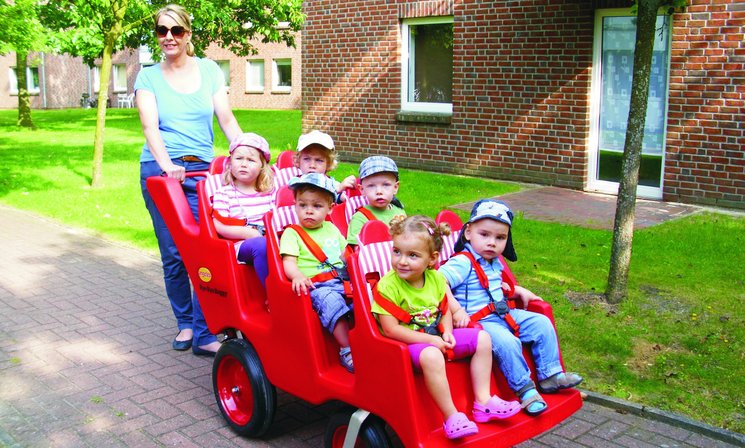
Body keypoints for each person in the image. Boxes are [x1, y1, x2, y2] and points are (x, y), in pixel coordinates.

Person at [135, 4, 242, 357]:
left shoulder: (209, 70)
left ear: (188, 34)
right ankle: (185, 322)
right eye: (162, 31)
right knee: (174, 254)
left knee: (205, 251)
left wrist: (247, 150)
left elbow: (225, 117)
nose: (169, 37)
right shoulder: (148, 77)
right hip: (162, 171)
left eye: (176, 31)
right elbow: (151, 128)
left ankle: (203, 331)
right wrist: (167, 166)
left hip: (202, 171)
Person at [372, 215, 520, 440]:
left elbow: (444, 310)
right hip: (405, 345)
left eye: (412, 255)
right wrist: (431, 340)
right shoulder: (388, 285)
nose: (402, 261)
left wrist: (448, 331)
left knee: (482, 338)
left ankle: (483, 401)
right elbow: (391, 330)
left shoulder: (435, 279)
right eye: (397, 252)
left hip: (437, 337)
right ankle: (452, 416)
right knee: (432, 355)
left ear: (431, 259)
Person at [439, 199, 583, 416]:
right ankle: (525, 391)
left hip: (503, 313)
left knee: (540, 323)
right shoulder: (464, 261)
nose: (492, 243)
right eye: (484, 235)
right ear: (468, 233)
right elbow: (438, 282)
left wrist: (517, 290)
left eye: (500, 238)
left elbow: (494, 286)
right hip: (477, 323)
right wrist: (457, 310)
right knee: (508, 342)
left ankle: (550, 375)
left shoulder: (493, 261)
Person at [279, 173, 354, 372]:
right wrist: (297, 276)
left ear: (330, 208)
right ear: (295, 205)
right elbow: (288, 261)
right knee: (332, 302)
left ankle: (368, 341)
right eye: (303, 205)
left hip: (340, 281)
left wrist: (356, 263)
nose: (309, 211)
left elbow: (345, 254)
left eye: (317, 206)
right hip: (315, 286)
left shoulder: (331, 228)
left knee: (366, 297)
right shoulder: (292, 233)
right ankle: (346, 349)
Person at [211, 133, 275, 286]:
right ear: (230, 163)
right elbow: (218, 225)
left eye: (251, 160)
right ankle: (273, 293)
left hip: (271, 240)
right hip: (240, 245)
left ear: (262, 167)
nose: (244, 164)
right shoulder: (224, 193)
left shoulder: (269, 193)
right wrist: (249, 233)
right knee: (261, 245)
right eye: (239, 159)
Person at [346, 156, 406, 245]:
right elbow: (356, 250)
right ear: (362, 189)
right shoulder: (360, 218)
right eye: (371, 186)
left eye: (386, 185)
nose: (379, 191)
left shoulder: (400, 212)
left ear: (395, 187)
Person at [293, 130, 356, 203]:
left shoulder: (333, 183)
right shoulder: (296, 183)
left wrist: (347, 197)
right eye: (307, 159)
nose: (312, 165)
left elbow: (340, 199)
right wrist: (336, 190)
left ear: (328, 164)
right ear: (298, 161)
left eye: (319, 160)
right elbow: (312, 190)